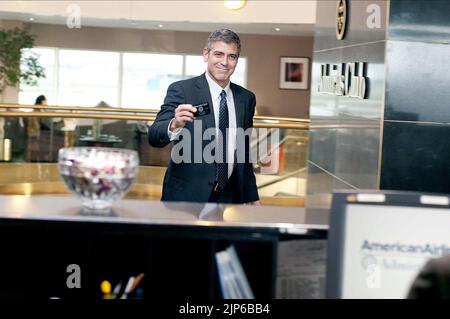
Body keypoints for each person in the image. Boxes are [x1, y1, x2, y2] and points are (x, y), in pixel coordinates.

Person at [148, 29, 259, 204]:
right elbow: (154, 136)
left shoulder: (246, 98)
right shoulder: (182, 90)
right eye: (218, 54)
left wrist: (252, 197)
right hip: (186, 196)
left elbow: (244, 153)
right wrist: (174, 124)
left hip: (229, 197)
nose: (225, 62)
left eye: (232, 56)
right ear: (206, 54)